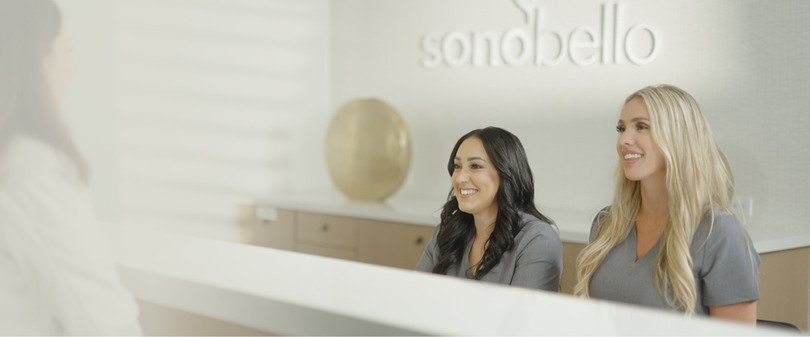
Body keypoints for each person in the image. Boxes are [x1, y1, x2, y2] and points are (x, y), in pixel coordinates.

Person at [0, 0, 142, 334]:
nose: (72, 68)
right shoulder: (33, 168)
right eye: (67, 51)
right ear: (38, 61)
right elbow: (103, 321)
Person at [574, 85, 760, 324]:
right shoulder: (606, 223)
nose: (624, 140)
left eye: (641, 127)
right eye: (621, 128)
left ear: (679, 137)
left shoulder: (720, 233)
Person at [416, 127, 563, 291]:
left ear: (506, 172)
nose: (460, 178)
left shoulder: (537, 240)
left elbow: (523, 315)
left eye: (476, 166)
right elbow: (415, 296)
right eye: (457, 166)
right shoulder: (446, 233)